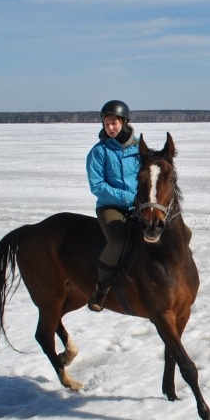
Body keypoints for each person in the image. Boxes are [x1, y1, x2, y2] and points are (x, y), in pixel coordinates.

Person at [85, 100, 141, 311]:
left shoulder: (138, 149)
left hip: (140, 206)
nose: (110, 128)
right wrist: (129, 198)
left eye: (114, 123)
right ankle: (101, 290)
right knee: (117, 241)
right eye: (106, 124)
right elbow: (98, 186)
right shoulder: (99, 152)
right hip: (110, 207)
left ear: (124, 122)